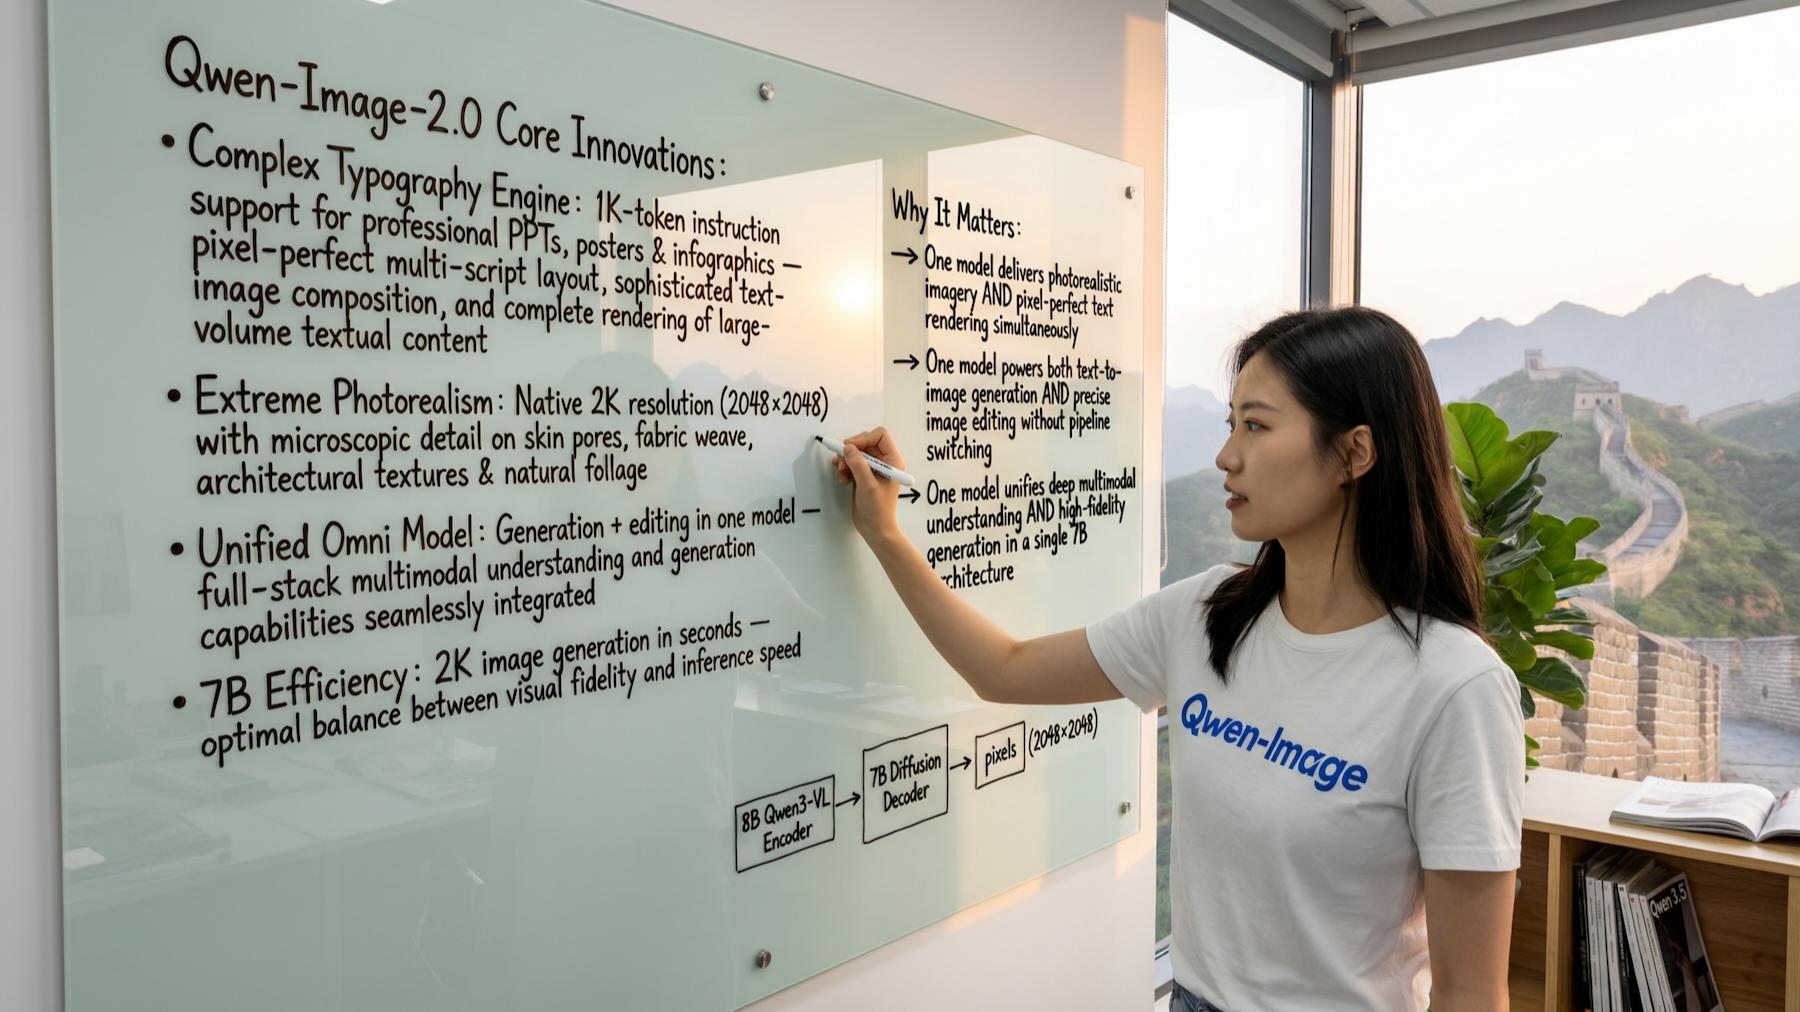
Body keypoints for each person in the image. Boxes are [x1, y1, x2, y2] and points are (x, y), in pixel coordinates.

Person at [828, 307, 1523, 1012]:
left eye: (1256, 426)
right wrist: (886, 534)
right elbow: (1002, 669)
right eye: (1230, 423)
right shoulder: (1207, 614)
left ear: (1355, 453)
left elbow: (1470, 992)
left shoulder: (1454, 686)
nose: (1226, 456)